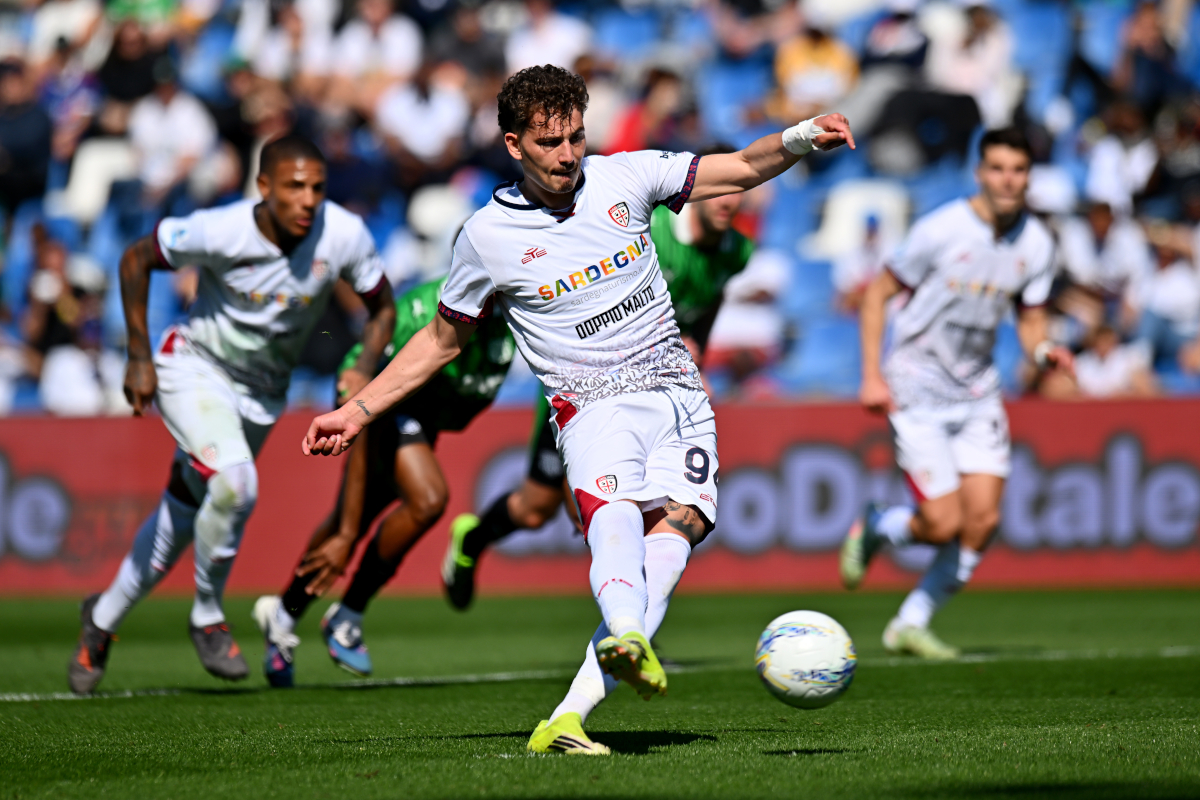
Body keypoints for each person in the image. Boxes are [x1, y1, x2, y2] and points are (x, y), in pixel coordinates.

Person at [301, 64, 853, 754]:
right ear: (513, 145)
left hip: (677, 394)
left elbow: (739, 168)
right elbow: (441, 340)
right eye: (549, 142)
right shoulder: (487, 237)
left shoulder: (626, 177)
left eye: (575, 137)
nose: (567, 155)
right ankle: (626, 634)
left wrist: (802, 135)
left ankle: (567, 717)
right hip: (590, 405)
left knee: (682, 526)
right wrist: (358, 412)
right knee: (614, 513)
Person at [67, 135, 396, 694]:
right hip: (194, 368)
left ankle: (101, 620)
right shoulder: (221, 229)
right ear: (263, 188)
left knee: (186, 508)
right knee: (237, 483)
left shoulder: (342, 234)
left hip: (262, 395)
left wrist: (365, 364)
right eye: (294, 187)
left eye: (317, 187)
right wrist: (139, 355)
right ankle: (207, 616)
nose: (308, 199)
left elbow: (382, 306)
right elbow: (136, 257)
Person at [440, 142, 755, 612]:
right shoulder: (655, 225)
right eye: (719, 193)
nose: (728, 202)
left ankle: (632, 621)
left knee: (625, 510)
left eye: (736, 195)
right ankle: (475, 539)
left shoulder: (735, 251)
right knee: (541, 508)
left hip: (657, 383)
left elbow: (708, 304)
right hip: (588, 386)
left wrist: (699, 352)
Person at [839, 127, 1073, 660]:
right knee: (942, 522)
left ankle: (910, 623)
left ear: (1028, 176)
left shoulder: (1037, 243)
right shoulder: (942, 229)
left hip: (977, 391)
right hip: (917, 383)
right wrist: (871, 375)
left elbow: (1031, 320)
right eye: (997, 168)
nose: (1007, 180)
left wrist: (1042, 353)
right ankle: (878, 525)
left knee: (984, 521)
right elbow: (877, 294)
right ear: (980, 173)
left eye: (1017, 169)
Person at [252, 276, 514, 687]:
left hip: (420, 421)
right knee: (423, 501)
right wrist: (349, 530)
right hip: (371, 406)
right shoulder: (425, 313)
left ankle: (282, 617)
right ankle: (347, 615)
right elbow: (364, 398)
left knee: (352, 518)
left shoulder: (505, 325)